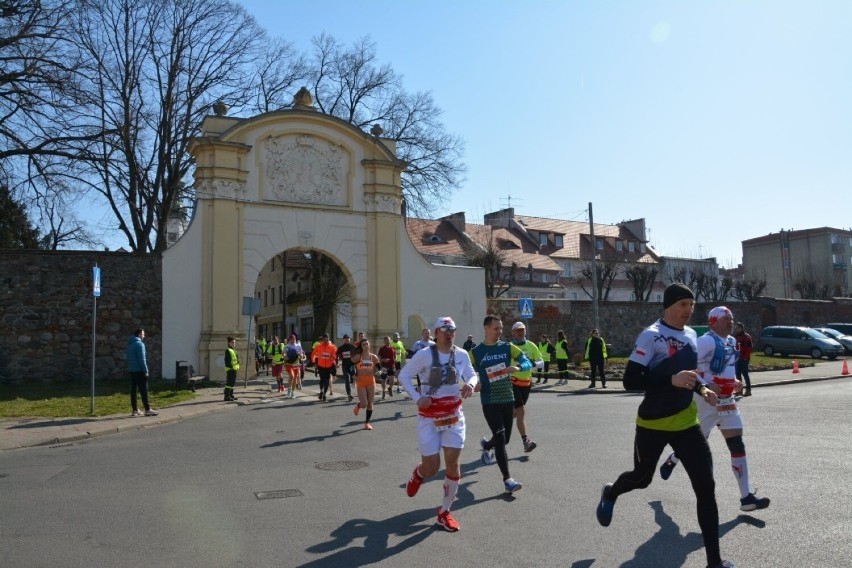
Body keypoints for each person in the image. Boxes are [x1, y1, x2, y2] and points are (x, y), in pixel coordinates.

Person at [595, 283, 734, 568]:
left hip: (686, 422)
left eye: (692, 305)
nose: (689, 310)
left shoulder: (692, 335)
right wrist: (669, 380)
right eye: (684, 305)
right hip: (653, 422)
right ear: (668, 306)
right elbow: (631, 380)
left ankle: (715, 563)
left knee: (706, 487)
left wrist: (703, 389)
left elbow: (690, 376)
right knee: (642, 479)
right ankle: (611, 492)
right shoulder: (651, 336)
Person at [659, 306, 770, 513]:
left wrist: (735, 382)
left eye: (732, 318)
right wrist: (707, 384)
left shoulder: (732, 341)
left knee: (737, 443)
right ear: (714, 321)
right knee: (695, 443)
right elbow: (687, 366)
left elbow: (727, 369)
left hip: (727, 400)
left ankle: (746, 497)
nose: (731, 321)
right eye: (726, 318)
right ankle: (673, 458)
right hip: (706, 401)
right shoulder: (705, 341)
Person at [399, 316, 478, 532]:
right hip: (429, 417)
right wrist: (417, 398)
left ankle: (444, 512)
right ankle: (419, 474)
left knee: (453, 462)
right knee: (432, 468)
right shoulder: (424, 355)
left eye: (451, 329)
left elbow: (472, 374)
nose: (448, 333)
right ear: (436, 333)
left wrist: (470, 384)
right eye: (444, 329)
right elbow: (404, 375)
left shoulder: (461, 354)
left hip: (453, 415)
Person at [470, 316, 532, 494]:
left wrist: (519, 368)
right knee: (500, 436)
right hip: (489, 401)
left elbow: (526, 361)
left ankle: (487, 446)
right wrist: (471, 382)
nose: (500, 332)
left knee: (504, 439)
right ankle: (507, 479)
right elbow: (462, 369)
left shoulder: (506, 347)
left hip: (507, 398)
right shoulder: (476, 351)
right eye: (496, 328)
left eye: (501, 328)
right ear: (486, 329)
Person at [509, 321, 543, 452]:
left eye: (522, 330)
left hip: (526, 383)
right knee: (521, 411)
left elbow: (542, 363)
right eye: (518, 330)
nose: (520, 332)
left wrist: (532, 364)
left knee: (514, 414)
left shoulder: (531, 345)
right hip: (512, 382)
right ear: (512, 332)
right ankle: (526, 441)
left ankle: (496, 435)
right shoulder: (509, 347)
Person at [126, 328, 157, 416]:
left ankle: (135, 410)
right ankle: (147, 409)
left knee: (133, 390)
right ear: (139, 334)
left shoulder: (130, 344)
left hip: (132, 370)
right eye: (143, 334)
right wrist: (146, 371)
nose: (144, 336)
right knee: (144, 390)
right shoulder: (140, 344)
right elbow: (142, 360)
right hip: (139, 370)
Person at [352, 338, 381, 429]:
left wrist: (379, 372)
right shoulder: (358, 357)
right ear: (361, 346)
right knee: (364, 404)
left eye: (366, 344)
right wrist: (353, 375)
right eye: (363, 345)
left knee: (370, 403)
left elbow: (379, 367)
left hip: (371, 381)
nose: (365, 346)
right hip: (361, 381)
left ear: (369, 345)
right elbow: (349, 365)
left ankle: (366, 423)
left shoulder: (373, 357)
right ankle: (359, 405)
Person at [311, 333, 337, 401]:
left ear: (329, 339)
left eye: (327, 338)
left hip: (328, 366)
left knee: (327, 381)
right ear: (322, 339)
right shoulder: (319, 346)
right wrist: (313, 362)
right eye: (325, 338)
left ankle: (324, 394)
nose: (326, 339)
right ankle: (321, 391)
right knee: (322, 380)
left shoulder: (332, 347)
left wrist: (332, 358)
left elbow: (334, 356)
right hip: (320, 366)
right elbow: (313, 354)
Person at [734, 322, 753, 396]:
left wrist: (745, 357)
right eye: (736, 328)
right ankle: (739, 390)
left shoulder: (746, 337)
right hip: (738, 358)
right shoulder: (736, 337)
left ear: (741, 328)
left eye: (738, 328)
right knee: (738, 374)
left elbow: (749, 348)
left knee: (745, 374)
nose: (736, 329)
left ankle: (748, 390)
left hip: (744, 358)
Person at [336, 334, 356, 402]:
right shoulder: (341, 347)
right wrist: (337, 363)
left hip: (352, 365)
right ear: (343, 340)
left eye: (348, 338)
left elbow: (358, 352)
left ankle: (355, 384)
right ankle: (349, 395)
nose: (347, 339)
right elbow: (336, 355)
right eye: (346, 338)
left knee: (355, 378)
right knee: (347, 379)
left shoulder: (352, 346)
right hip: (345, 365)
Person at [284, 334, 305, 399]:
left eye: (294, 339)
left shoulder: (298, 346)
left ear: (295, 339)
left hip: (296, 364)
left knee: (295, 379)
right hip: (289, 364)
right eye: (292, 339)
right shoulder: (287, 346)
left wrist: (299, 354)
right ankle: (289, 388)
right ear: (289, 340)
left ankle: (292, 392)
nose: (293, 340)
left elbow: (301, 355)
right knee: (292, 376)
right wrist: (285, 357)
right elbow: (284, 353)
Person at [224, 336, 240, 402]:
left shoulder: (233, 350)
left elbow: (236, 359)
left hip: (234, 368)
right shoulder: (228, 350)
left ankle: (231, 395)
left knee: (232, 383)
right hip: (230, 369)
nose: (234, 344)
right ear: (229, 343)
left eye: (234, 342)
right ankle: (226, 396)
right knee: (229, 383)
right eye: (232, 342)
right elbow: (227, 360)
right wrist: (231, 367)